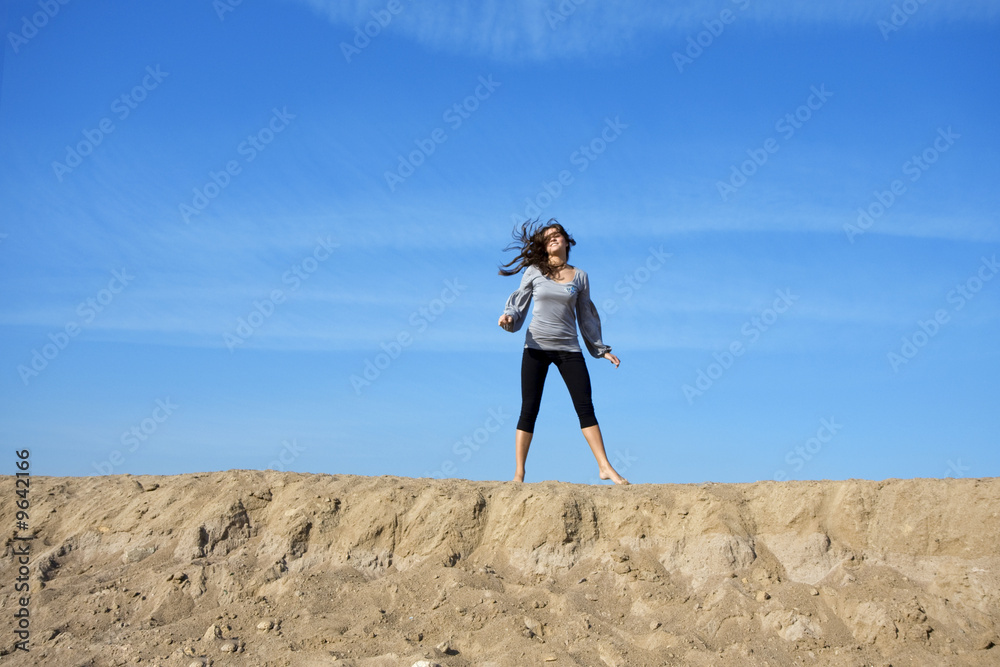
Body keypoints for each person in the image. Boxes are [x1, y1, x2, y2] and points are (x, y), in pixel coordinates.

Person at [497, 218, 630, 485]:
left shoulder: (580, 276)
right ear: (544, 247)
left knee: (585, 407)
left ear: (567, 242)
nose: (553, 239)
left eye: (557, 235)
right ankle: (519, 474)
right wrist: (508, 317)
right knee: (529, 409)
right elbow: (518, 303)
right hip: (535, 347)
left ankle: (605, 467)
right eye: (548, 238)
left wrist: (601, 350)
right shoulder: (534, 271)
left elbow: (586, 316)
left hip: (569, 349)